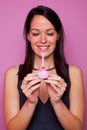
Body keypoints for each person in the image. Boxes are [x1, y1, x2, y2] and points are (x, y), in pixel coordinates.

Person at [4, 5, 85, 130]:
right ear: (28, 36)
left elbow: (77, 128)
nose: (43, 40)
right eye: (36, 34)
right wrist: (30, 103)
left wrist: (57, 102)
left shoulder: (74, 73)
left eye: (50, 33)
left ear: (58, 36)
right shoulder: (12, 74)